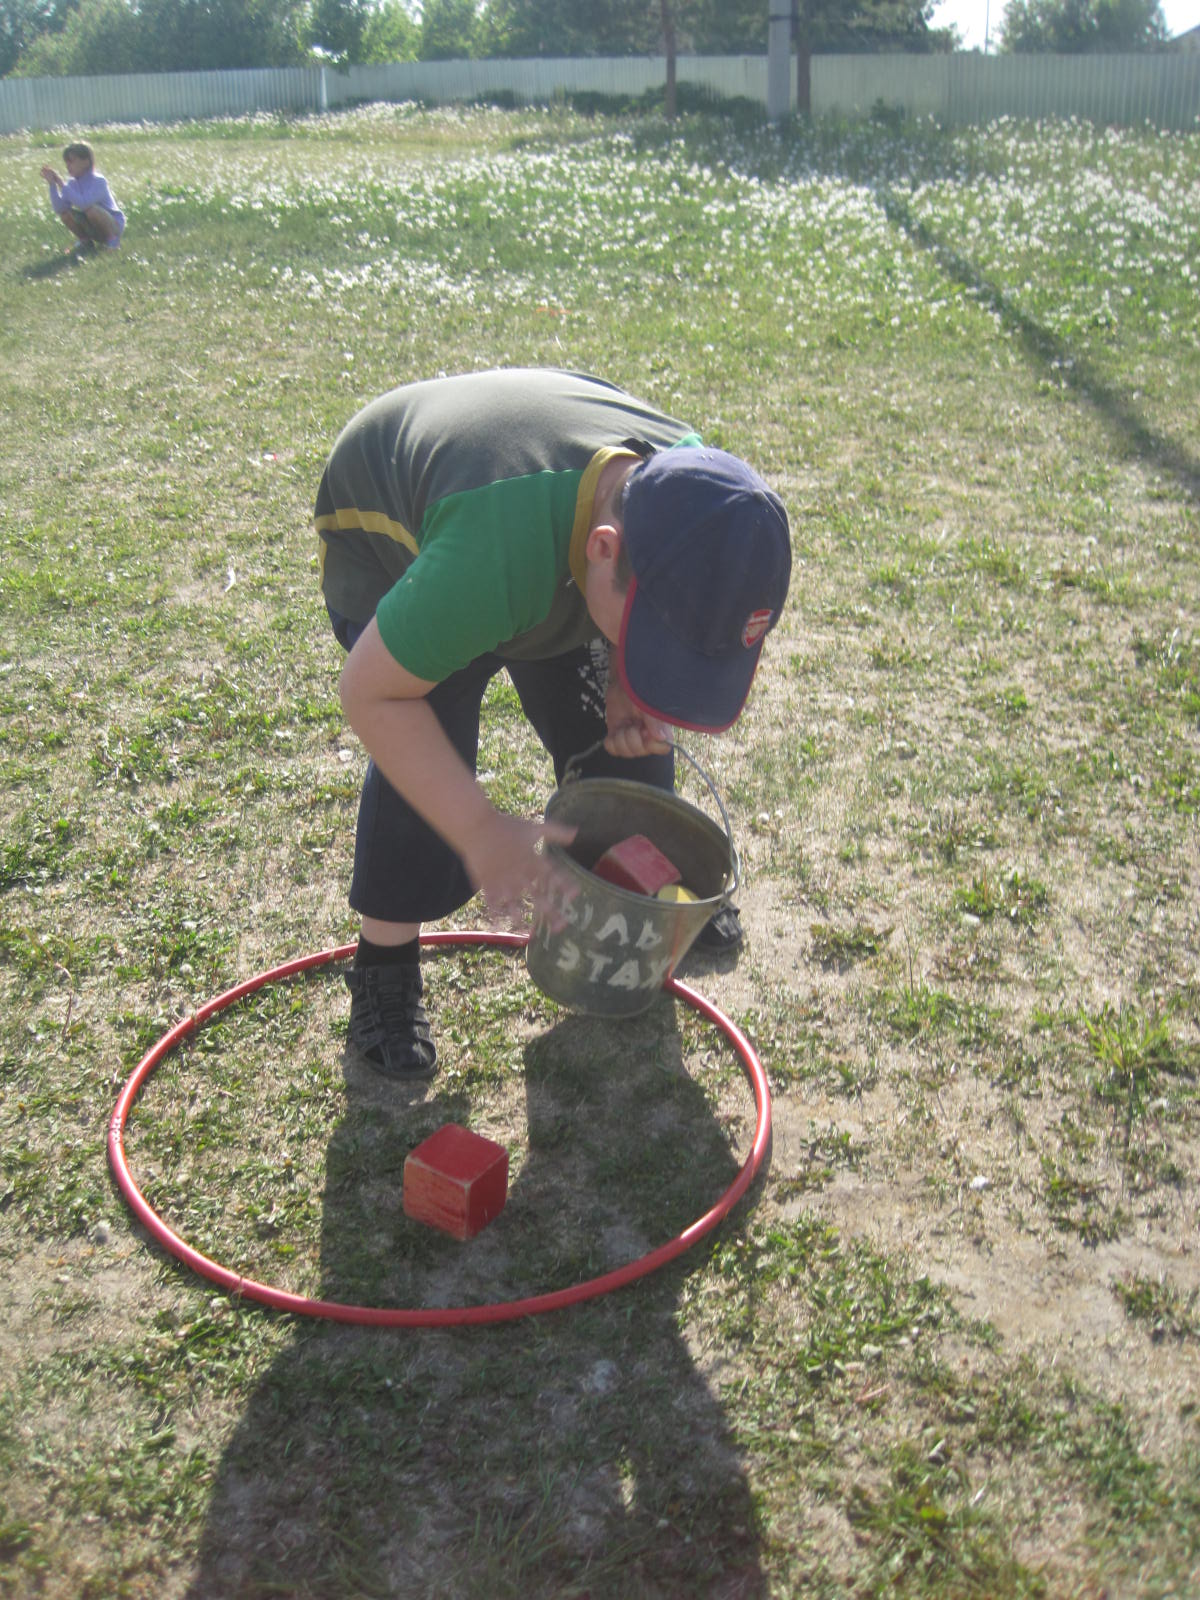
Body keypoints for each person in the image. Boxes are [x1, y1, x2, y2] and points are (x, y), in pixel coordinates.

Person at [320, 368, 791, 1080]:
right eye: (656, 642)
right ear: (602, 551)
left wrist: (633, 681)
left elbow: (655, 603)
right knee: (426, 740)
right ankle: (384, 967)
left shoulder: (710, 506)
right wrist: (479, 830)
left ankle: (646, 902)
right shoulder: (488, 560)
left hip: (538, 537)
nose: (664, 664)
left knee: (623, 745)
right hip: (395, 532)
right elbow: (372, 696)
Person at [41, 141, 125, 253]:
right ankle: (85, 241)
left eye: (71, 161)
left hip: (113, 225)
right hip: (93, 226)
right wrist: (52, 184)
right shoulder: (72, 183)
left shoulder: (98, 181)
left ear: (86, 162)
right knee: (65, 214)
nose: (68, 166)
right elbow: (60, 208)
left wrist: (61, 184)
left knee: (91, 210)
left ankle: (113, 241)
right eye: (66, 162)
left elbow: (84, 204)